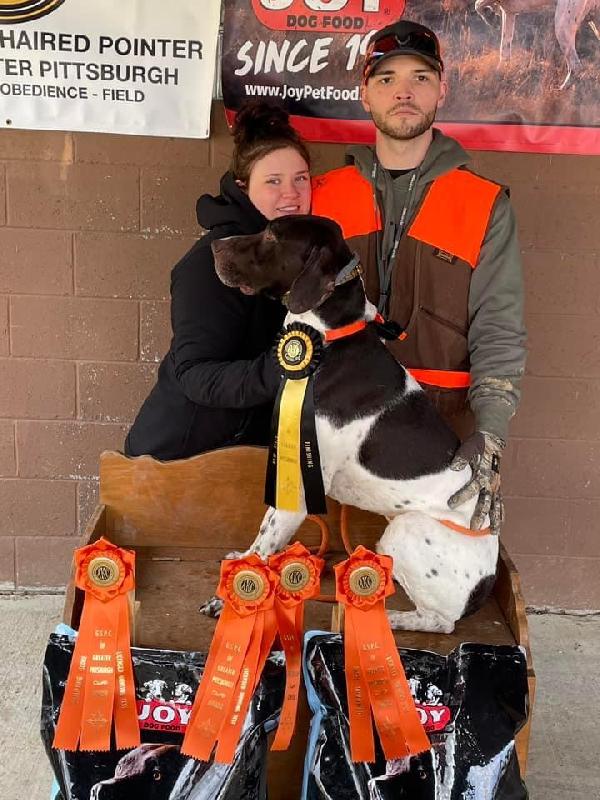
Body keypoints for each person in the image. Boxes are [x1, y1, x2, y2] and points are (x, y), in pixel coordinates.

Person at [311, 19, 526, 535]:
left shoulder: (484, 203)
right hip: (331, 436)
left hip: (434, 443)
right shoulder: (322, 195)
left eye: (420, 78)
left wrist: (490, 434)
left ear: (442, 90)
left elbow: (498, 325)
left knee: (427, 597)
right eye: (385, 79)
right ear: (364, 94)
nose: (403, 92)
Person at [124, 102, 311, 459]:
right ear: (243, 187)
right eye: (273, 181)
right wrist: (287, 368)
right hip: (177, 462)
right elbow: (194, 375)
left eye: (300, 178)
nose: (292, 193)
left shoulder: (285, 250)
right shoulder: (211, 262)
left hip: (237, 457)